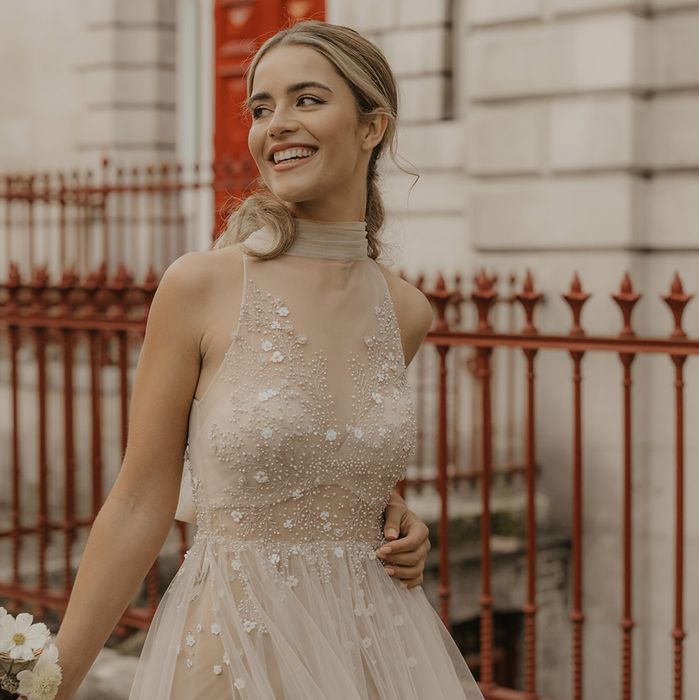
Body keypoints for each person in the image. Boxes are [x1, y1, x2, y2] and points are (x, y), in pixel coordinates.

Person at [51, 19, 483, 699]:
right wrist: (50, 681)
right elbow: (140, 499)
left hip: (375, 652)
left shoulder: (405, 310)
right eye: (261, 108)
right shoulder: (201, 285)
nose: (276, 123)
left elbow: (328, 449)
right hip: (232, 651)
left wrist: (390, 511)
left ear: (372, 127)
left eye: (307, 100)